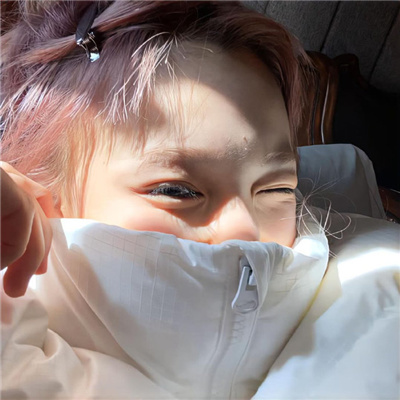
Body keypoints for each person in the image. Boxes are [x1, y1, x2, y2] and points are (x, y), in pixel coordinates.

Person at [1, 2, 398, 399]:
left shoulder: (379, 276)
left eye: (276, 189)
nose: (246, 228)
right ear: (48, 201)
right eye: (176, 191)